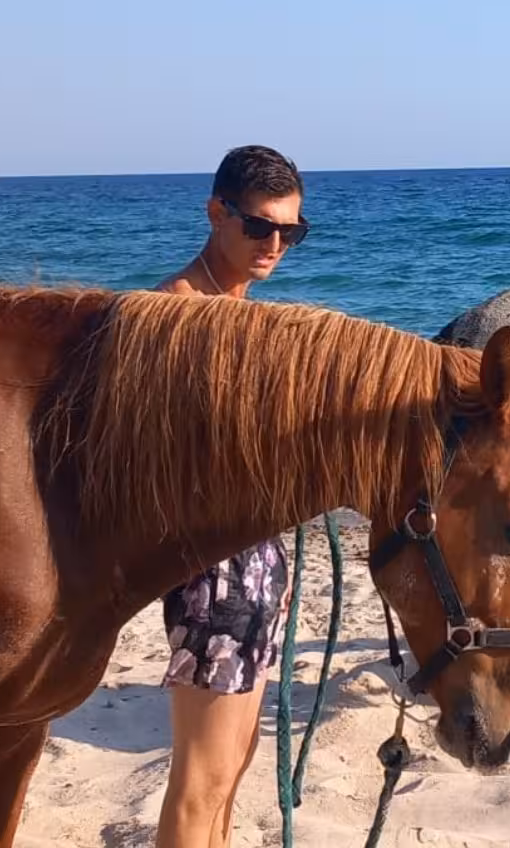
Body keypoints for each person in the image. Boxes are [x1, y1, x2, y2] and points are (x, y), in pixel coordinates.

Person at [154, 144, 309, 848]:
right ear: (217, 213)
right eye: (259, 228)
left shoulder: (239, 315)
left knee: (232, 775)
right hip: (212, 578)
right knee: (201, 782)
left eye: (291, 232)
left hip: (252, 570)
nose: (274, 246)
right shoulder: (174, 319)